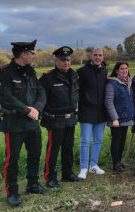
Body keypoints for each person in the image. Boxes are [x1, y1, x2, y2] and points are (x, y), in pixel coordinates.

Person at [0, 40, 47, 206]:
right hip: (14, 123)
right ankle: (12, 192)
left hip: (32, 122)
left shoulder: (30, 71)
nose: (34, 55)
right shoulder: (4, 72)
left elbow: (40, 91)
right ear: (23, 54)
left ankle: (32, 184)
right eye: (32, 52)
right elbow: (5, 97)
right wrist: (27, 110)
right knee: (13, 159)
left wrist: (37, 108)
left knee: (35, 153)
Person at [40, 46, 82, 189]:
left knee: (68, 148)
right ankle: (50, 177)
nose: (66, 62)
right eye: (63, 60)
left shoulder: (74, 75)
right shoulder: (47, 78)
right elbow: (40, 98)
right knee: (53, 149)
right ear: (56, 61)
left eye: (68, 60)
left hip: (70, 118)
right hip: (55, 120)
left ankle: (67, 173)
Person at [77, 48, 108, 179]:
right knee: (85, 141)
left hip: (101, 112)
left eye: (100, 55)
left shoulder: (105, 71)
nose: (98, 57)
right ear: (90, 56)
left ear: (103, 57)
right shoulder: (82, 71)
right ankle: (84, 168)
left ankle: (93, 165)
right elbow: (77, 91)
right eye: (95, 55)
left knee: (98, 140)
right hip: (86, 111)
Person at [105, 62, 134, 172]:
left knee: (122, 141)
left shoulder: (129, 82)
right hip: (116, 119)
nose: (124, 71)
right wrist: (114, 118)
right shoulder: (111, 84)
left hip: (126, 117)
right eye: (122, 69)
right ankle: (115, 164)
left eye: (126, 68)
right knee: (116, 141)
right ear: (116, 71)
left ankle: (119, 161)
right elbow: (109, 102)